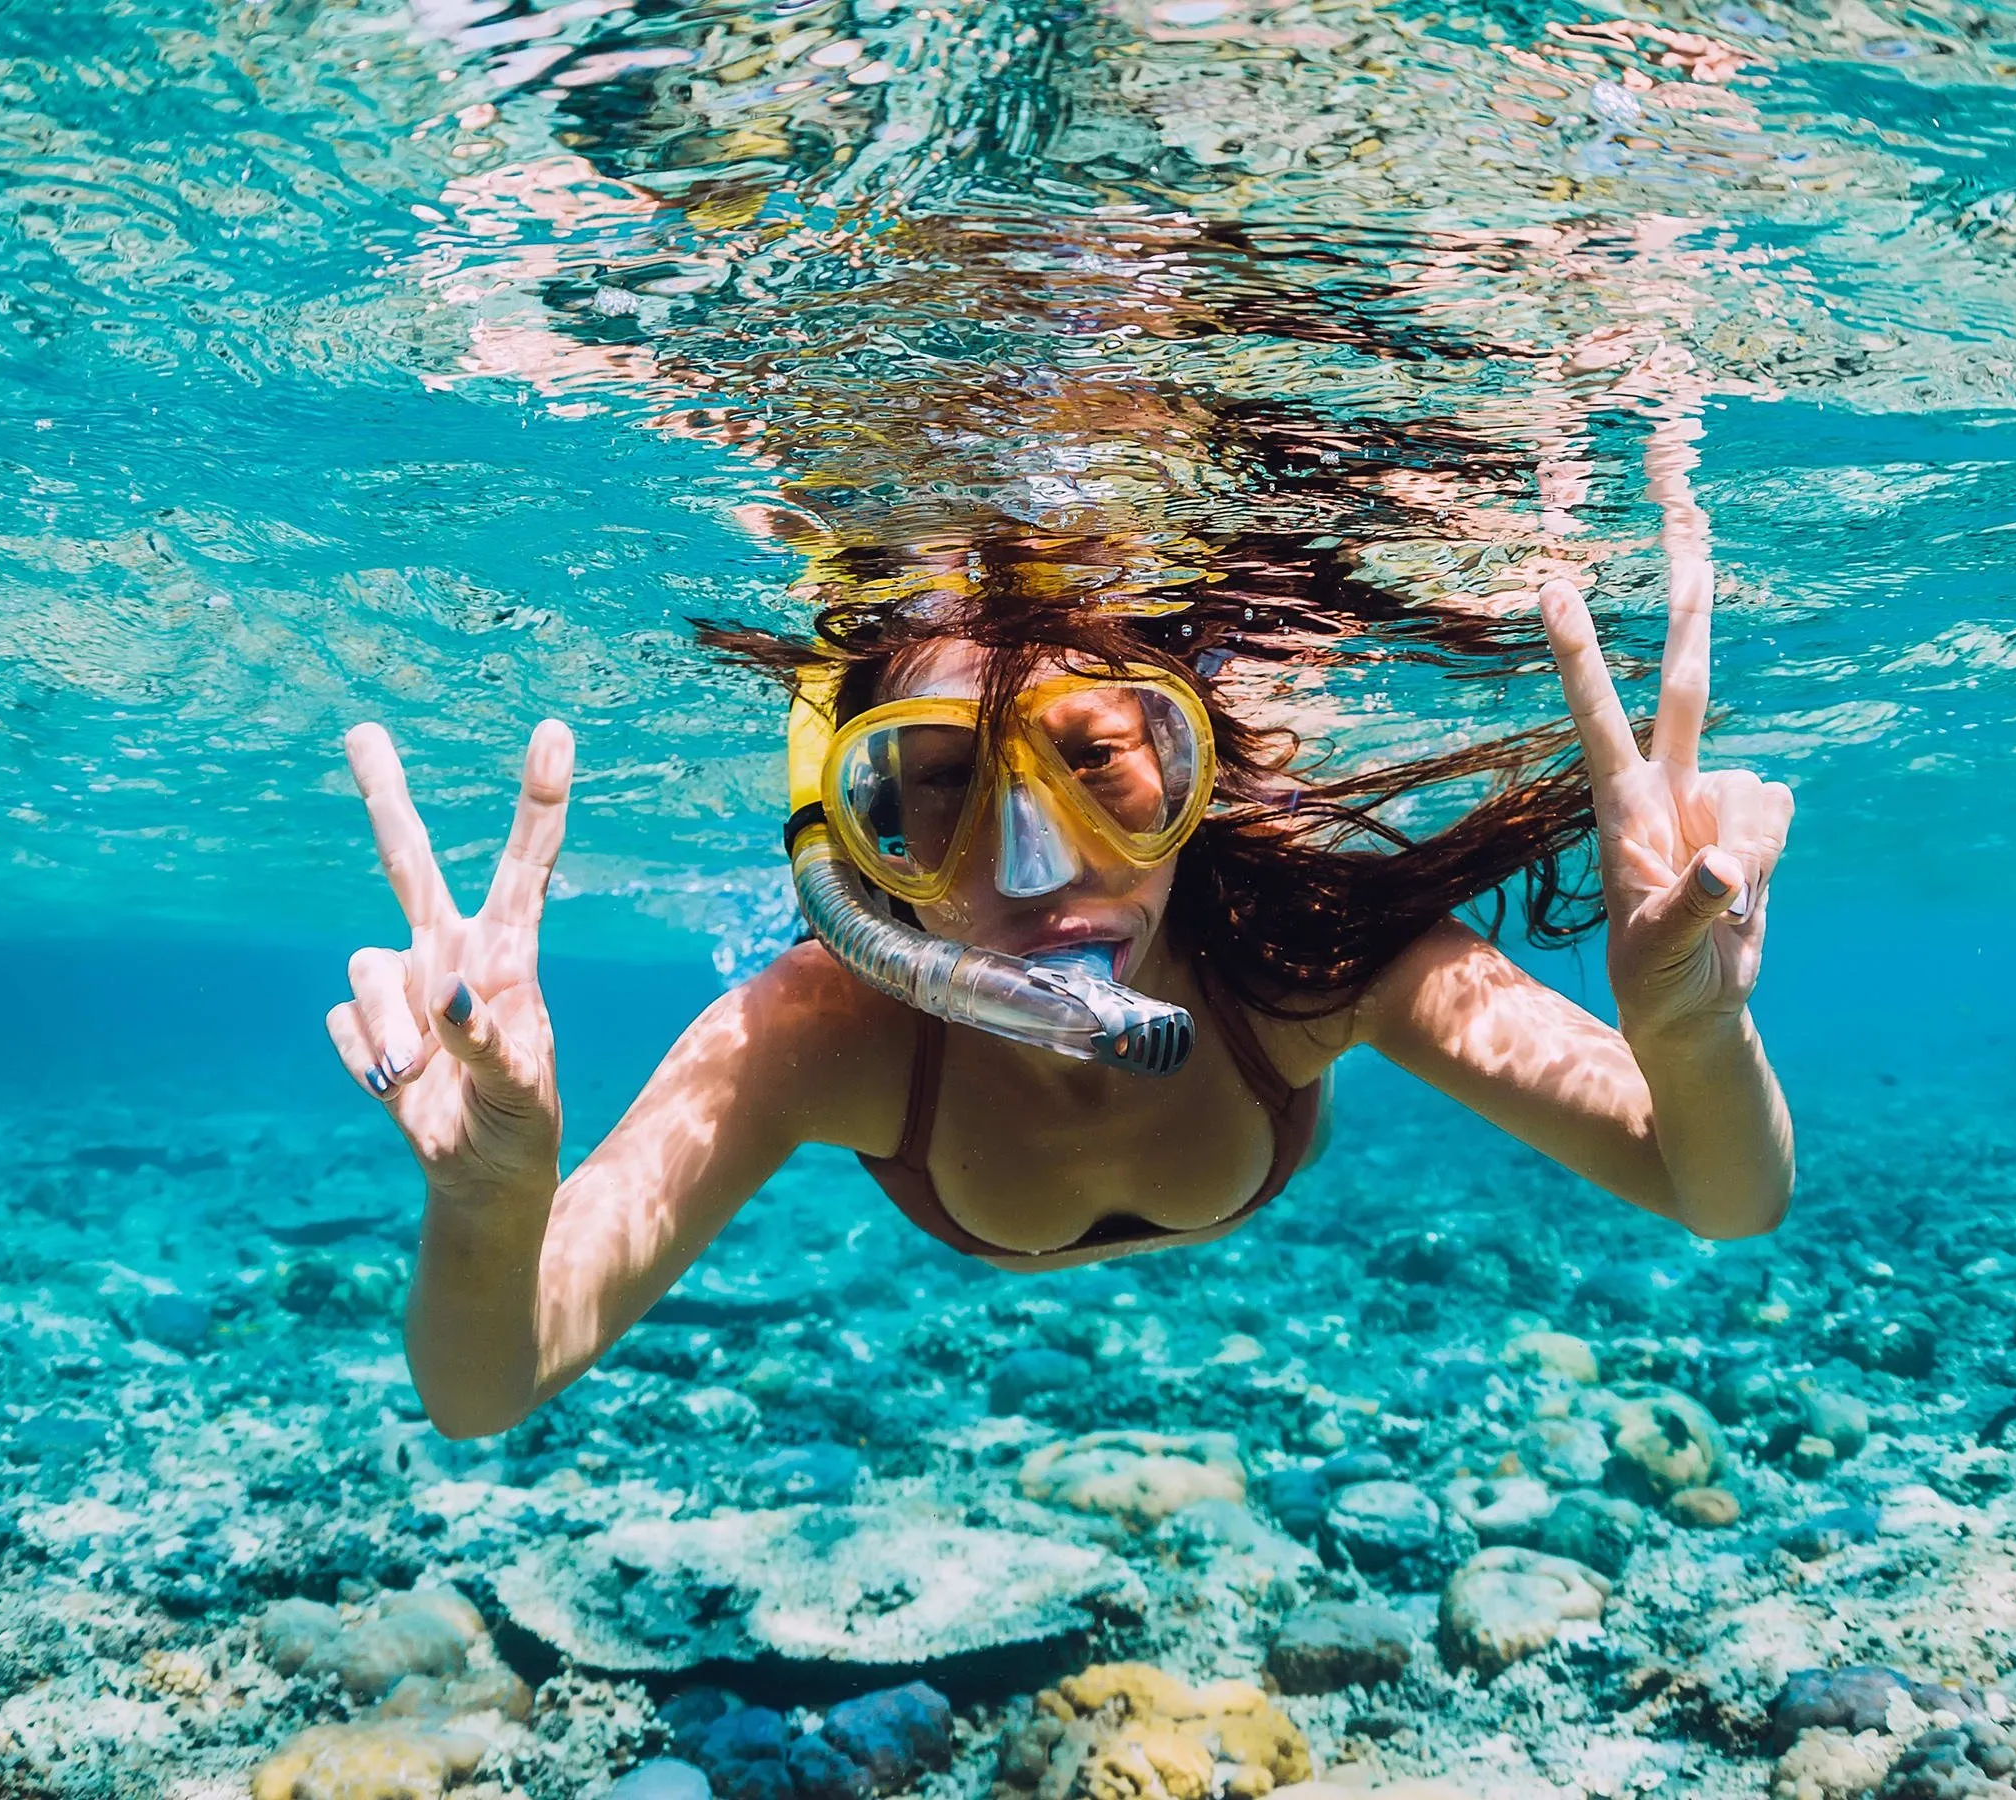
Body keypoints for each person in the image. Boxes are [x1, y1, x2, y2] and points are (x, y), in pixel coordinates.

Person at [326, 504, 1794, 1440]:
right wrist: (490, 1203)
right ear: (860, 845)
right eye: (940, 789)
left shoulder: (1294, 959)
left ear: (1191, 778)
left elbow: (1719, 1190)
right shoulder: (827, 1029)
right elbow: (484, 1388)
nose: (1036, 870)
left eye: (1103, 767)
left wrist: (1687, 1032)